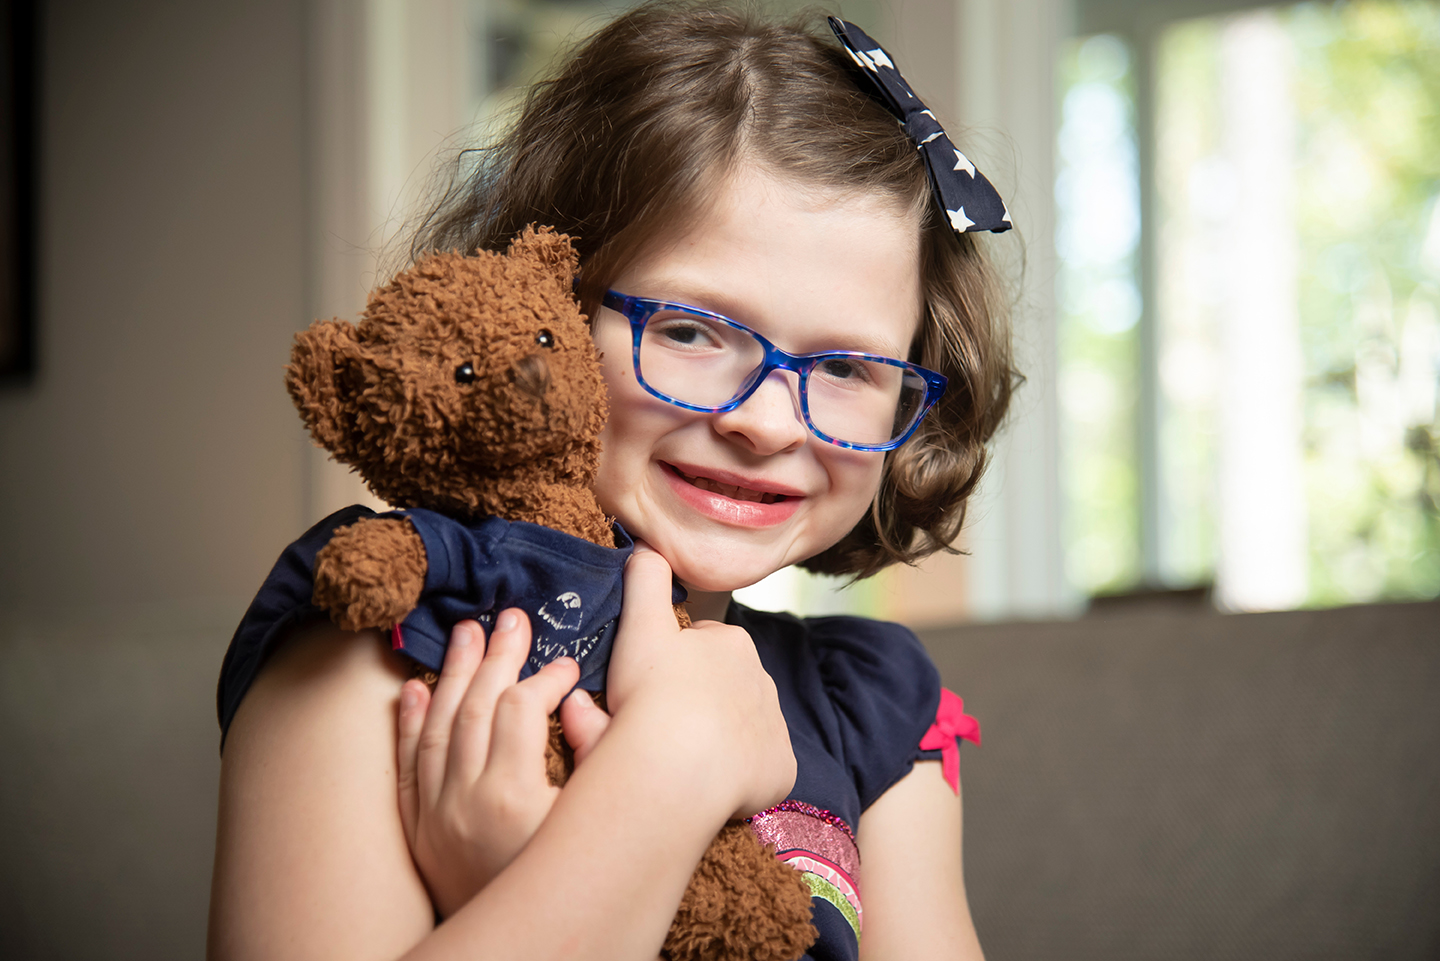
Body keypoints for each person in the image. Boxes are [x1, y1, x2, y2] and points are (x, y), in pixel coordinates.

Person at [207, 4, 1015, 960]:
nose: (762, 420)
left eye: (846, 367)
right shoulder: (376, 639)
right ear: (550, 299)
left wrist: (525, 881)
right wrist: (672, 772)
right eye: (689, 331)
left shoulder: (875, 714)